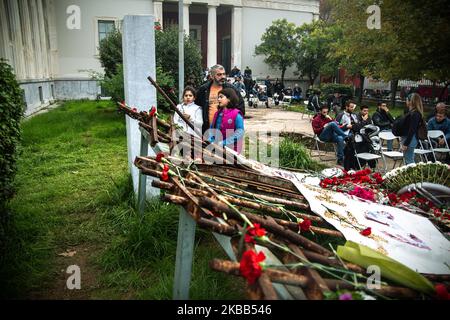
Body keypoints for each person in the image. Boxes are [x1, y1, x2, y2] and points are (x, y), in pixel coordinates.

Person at [195, 64, 245, 134]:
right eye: (219, 74)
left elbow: (240, 108)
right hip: (208, 131)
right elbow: (196, 107)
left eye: (224, 74)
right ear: (212, 76)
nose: (223, 77)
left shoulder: (232, 89)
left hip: (227, 133)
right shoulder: (203, 89)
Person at [209, 88, 245, 154]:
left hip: (231, 150)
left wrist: (224, 142)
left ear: (229, 99)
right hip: (216, 148)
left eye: (221, 97)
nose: (218, 99)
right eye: (218, 97)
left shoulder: (236, 114)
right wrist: (211, 140)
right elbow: (212, 129)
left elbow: (240, 132)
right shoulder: (217, 114)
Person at [401, 93, 424, 164]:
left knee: (409, 160)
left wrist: (406, 143)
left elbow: (412, 130)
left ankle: (413, 174)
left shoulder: (415, 114)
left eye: (407, 100)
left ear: (411, 101)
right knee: (407, 160)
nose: (406, 102)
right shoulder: (411, 112)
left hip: (410, 139)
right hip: (408, 138)